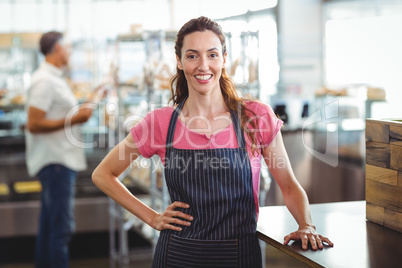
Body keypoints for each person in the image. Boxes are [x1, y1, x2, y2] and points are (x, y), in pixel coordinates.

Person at [92, 16, 333, 267]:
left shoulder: (255, 117)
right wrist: (152, 218)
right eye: (193, 55)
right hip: (177, 255)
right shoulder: (160, 122)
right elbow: (103, 174)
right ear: (179, 61)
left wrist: (307, 225)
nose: (203, 65)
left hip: (240, 255)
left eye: (212, 55)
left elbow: (289, 186)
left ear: (224, 59)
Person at [25, 31, 93, 268]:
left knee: (49, 226)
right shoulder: (45, 80)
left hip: (57, 161)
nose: (70, 51)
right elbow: (34, 123)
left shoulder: (54, 78)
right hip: (56, 163)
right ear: (56, 49)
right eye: (67, 47)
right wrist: (74, 120)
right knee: (61, 230)